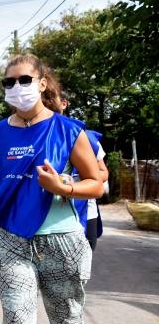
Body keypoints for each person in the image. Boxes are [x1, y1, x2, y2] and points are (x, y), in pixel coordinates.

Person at [0, 54, 103, 324]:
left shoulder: (69, 130)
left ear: (42, 84)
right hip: (8, 237)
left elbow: (96, 184)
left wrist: (64, 186)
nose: (16, 87)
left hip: (61, 241)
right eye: (9, 82)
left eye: (24, 80)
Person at [58, 93, 109, 252]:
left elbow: (103, 173)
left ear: (64, 104)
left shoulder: (86, 137)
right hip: (48, 215)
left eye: (51, 98)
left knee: (81, 267)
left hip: (85, 212)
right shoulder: (35, 137)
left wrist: (80, 181)